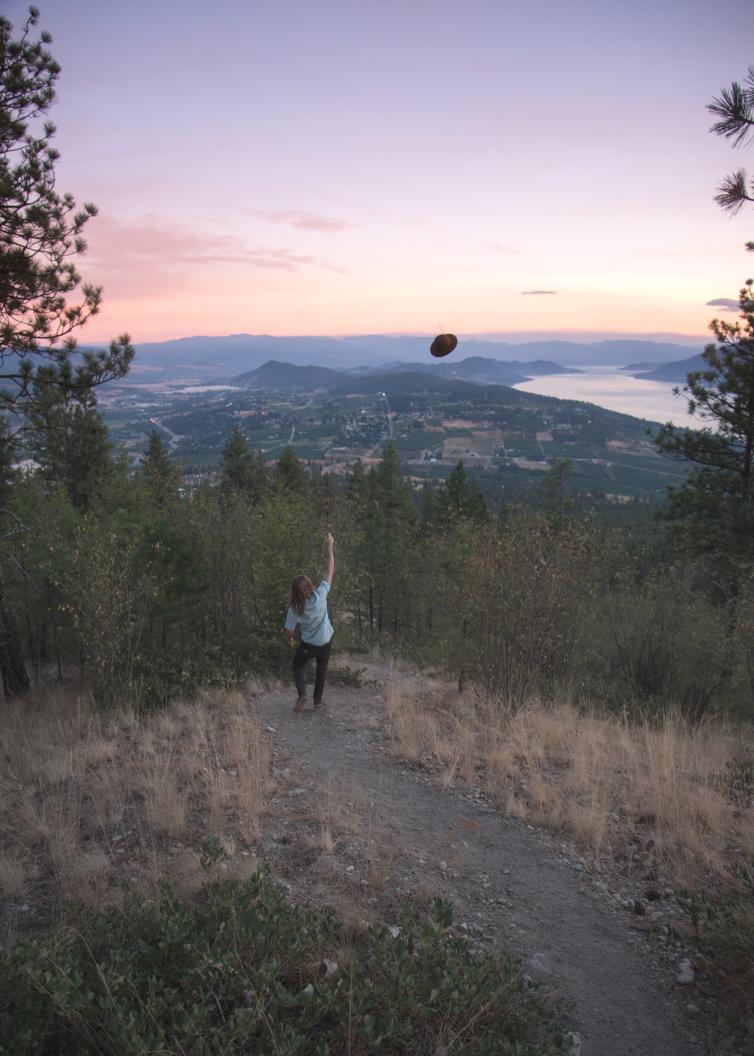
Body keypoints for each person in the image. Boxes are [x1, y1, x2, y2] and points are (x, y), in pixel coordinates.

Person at [284, 533, 335, 713]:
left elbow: (289, 631)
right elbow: (329, 571)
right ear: (310, 585)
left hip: (308, 645)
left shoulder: (294, 609)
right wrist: (329, 546)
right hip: (325, 642)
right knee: (321, 670)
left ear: (295, 592)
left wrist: (290, 641)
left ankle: (302, 694)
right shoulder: (321, 595)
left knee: (298, 665)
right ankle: (317, 702)